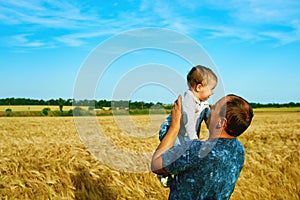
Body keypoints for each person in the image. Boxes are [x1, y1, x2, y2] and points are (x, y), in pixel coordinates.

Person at [151, 94, 254, 200]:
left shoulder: (196, 150)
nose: (209, 109)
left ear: (221, 122)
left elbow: (156, 165)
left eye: (214, 108)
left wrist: (174, 126)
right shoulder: (239, 150)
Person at [157, 65, 217, 187]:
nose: (213, 92)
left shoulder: (202, 101)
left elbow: (207, 115)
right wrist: (194, 140)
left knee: (184, 152)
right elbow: (188, 122)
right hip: (170, 130)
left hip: (183, 134)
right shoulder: (188, 100)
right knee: (176, 153)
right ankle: (163, 172)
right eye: (211, 89)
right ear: (199, 87)